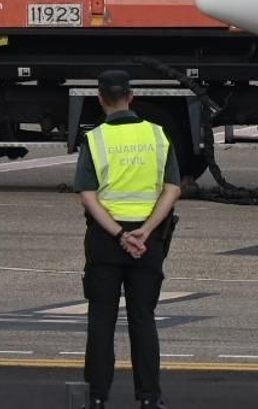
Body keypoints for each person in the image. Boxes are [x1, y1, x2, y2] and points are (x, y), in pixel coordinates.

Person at [75, 70, 181, 409]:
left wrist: (120, 234)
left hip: (107, 240)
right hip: (148, 240)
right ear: (131, 96)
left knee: (101, 318)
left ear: (100, 98)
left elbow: (88, 196)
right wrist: (145, 231)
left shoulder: (95, 140)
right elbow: (173, 189)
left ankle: (97, 397)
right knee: (143, 318)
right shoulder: (158, 135)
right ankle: (150, 397)